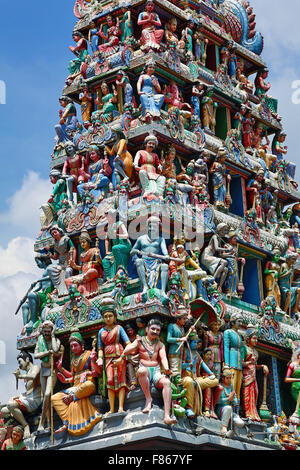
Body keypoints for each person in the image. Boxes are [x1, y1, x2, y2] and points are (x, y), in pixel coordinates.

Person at [115, 318, 177, 426]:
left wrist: (166, 368)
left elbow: (163, 358)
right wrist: (133, 346)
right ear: (147, 330)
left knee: (167, 382)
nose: (155, 331)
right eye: (153, 329)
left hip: (156, 370)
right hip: (144, 369)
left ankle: (167, 416)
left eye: (158, 330)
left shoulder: (160, 344)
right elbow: (127, 350)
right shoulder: (140, 341)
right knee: (142, 371)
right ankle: (148, 399)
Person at [52, 330, 102, 436]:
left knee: (88, 385)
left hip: (86, 384)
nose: (73, 348)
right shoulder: (73, 359)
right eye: (71, 346)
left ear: (82, 345)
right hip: (76, 387)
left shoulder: (88, 354)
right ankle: (67, 422)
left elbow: (97, 372)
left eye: (75, 345)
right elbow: (72, 376)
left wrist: (92, 362)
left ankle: (73, 397)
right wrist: (61, 371)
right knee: (54, 398)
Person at [97, 303, 130, 414]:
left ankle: (120, 407)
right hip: (107, 359)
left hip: (119, 355)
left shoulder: (119, 328)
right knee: (110, 381)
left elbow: (128, 344)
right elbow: (100, 348)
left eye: (110, 316)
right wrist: (100, 358)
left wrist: (122, 357)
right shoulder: (101, 331)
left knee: (120, 380)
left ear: (115, 317)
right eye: (105, 316)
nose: (108, 318)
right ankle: (111, 409)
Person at [1, 351, 42, 439]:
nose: (19, 365)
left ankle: (25, 426)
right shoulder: (27, 374)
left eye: (20, 361)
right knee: (4, 410)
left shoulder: (36, 367)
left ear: (27, 359)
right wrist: (14, 397)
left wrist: (20, 377)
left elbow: (34, 376)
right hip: (28, 399)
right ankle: (18, 415)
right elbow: (27, 392)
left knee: (11, 405)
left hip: (34, 400)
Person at [130, 216, 169, 295]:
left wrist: (166, 256)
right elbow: (131, 252)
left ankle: (163, 291)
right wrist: (137, 251)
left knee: (165, 266)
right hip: (144, 261)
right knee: (138, 261)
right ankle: (145, 286)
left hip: (156, 262)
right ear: (147, 227)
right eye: (150, 226)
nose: (152, 228)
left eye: (154, 227)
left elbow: (165, 251)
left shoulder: (161, 239)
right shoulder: (141, 238)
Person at [34, 321, 61, 432]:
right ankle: (49, 423)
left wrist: (53, 336)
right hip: (43, 370)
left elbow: (55, 350)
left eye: (48, 332)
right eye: (44, 332)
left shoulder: (56, 340)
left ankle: (41, 421)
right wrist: (46, 353)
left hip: (52, 369)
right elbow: (36, 355)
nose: (46, 334)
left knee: (47, 394)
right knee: (46, 399)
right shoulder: (40, 341)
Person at [241, 327, 269, 421]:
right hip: (246, 374)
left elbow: (255, 365)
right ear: (248, 339)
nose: (256, 340)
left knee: (255, 393)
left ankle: (254, 413)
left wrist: (262, 366)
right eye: (254, 338)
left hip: (253, 375)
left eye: (256, 339)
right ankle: (247, 413)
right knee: (247, 393)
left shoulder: (256, 352)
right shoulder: (244, 348)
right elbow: (240, 363)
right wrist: (248, 363)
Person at [66, 229, 103, 296]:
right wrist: (74, 266)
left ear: (88, 242)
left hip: (90, 273)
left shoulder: (94, 250)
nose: (82, 244)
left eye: (84, 242)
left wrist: (96, 257)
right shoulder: (82, 254)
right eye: (81, 243)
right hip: (83, 275)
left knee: (92, 271)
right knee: (67, 280)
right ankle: (74, 295)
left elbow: (100, 263)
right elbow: (81, 267)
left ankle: (80, 280)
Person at [133, 134, 166, 199]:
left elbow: (158, 164)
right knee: (142, 172)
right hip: (144, 171)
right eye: (149, 143)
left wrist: (160, 166)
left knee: (162, 178)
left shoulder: (155, 155)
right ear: (145, 144)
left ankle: (159, 193)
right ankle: (147, 190)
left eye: (153, 144)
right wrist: (136, 165)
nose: (151, 145)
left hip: (153, 173)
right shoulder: (140, 152)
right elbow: (136, 161)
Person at [215, 367, 244, 438]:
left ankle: (234, 432)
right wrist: (229, 399)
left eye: (230, 378)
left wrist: (232, 400)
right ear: (223, 378)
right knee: (228, 408)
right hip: (221, 410)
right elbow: (217, 401)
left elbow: (236, 402)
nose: (229, 380)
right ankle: (223, 427)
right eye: (227, 378)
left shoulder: (231, 387)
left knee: (240, 423)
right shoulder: (220, 386)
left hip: (230, 412)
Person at [223, 312, 244, 401]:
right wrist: (227, 364)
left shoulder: (239, 335)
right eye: (239, 321)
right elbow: (226, 348)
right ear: (233, 322)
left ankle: (236, 409)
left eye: (241, 321)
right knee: (232, 385)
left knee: (238, 387)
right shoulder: (228, 332)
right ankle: (231, 405)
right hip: (232, 362)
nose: (241, 324)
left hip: (239, 364)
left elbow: (242, 349)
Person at [166, 308, 189, 375]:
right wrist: (180, 339)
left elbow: (184, 338)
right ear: (178, 319)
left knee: (179, 371)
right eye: (184, 319)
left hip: (180, 353)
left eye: (186, 318)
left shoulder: (182, 328)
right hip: (174, 352)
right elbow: (169, 339)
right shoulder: (172, 326)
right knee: (174, 372)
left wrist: (190, 330)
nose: (185, 320)